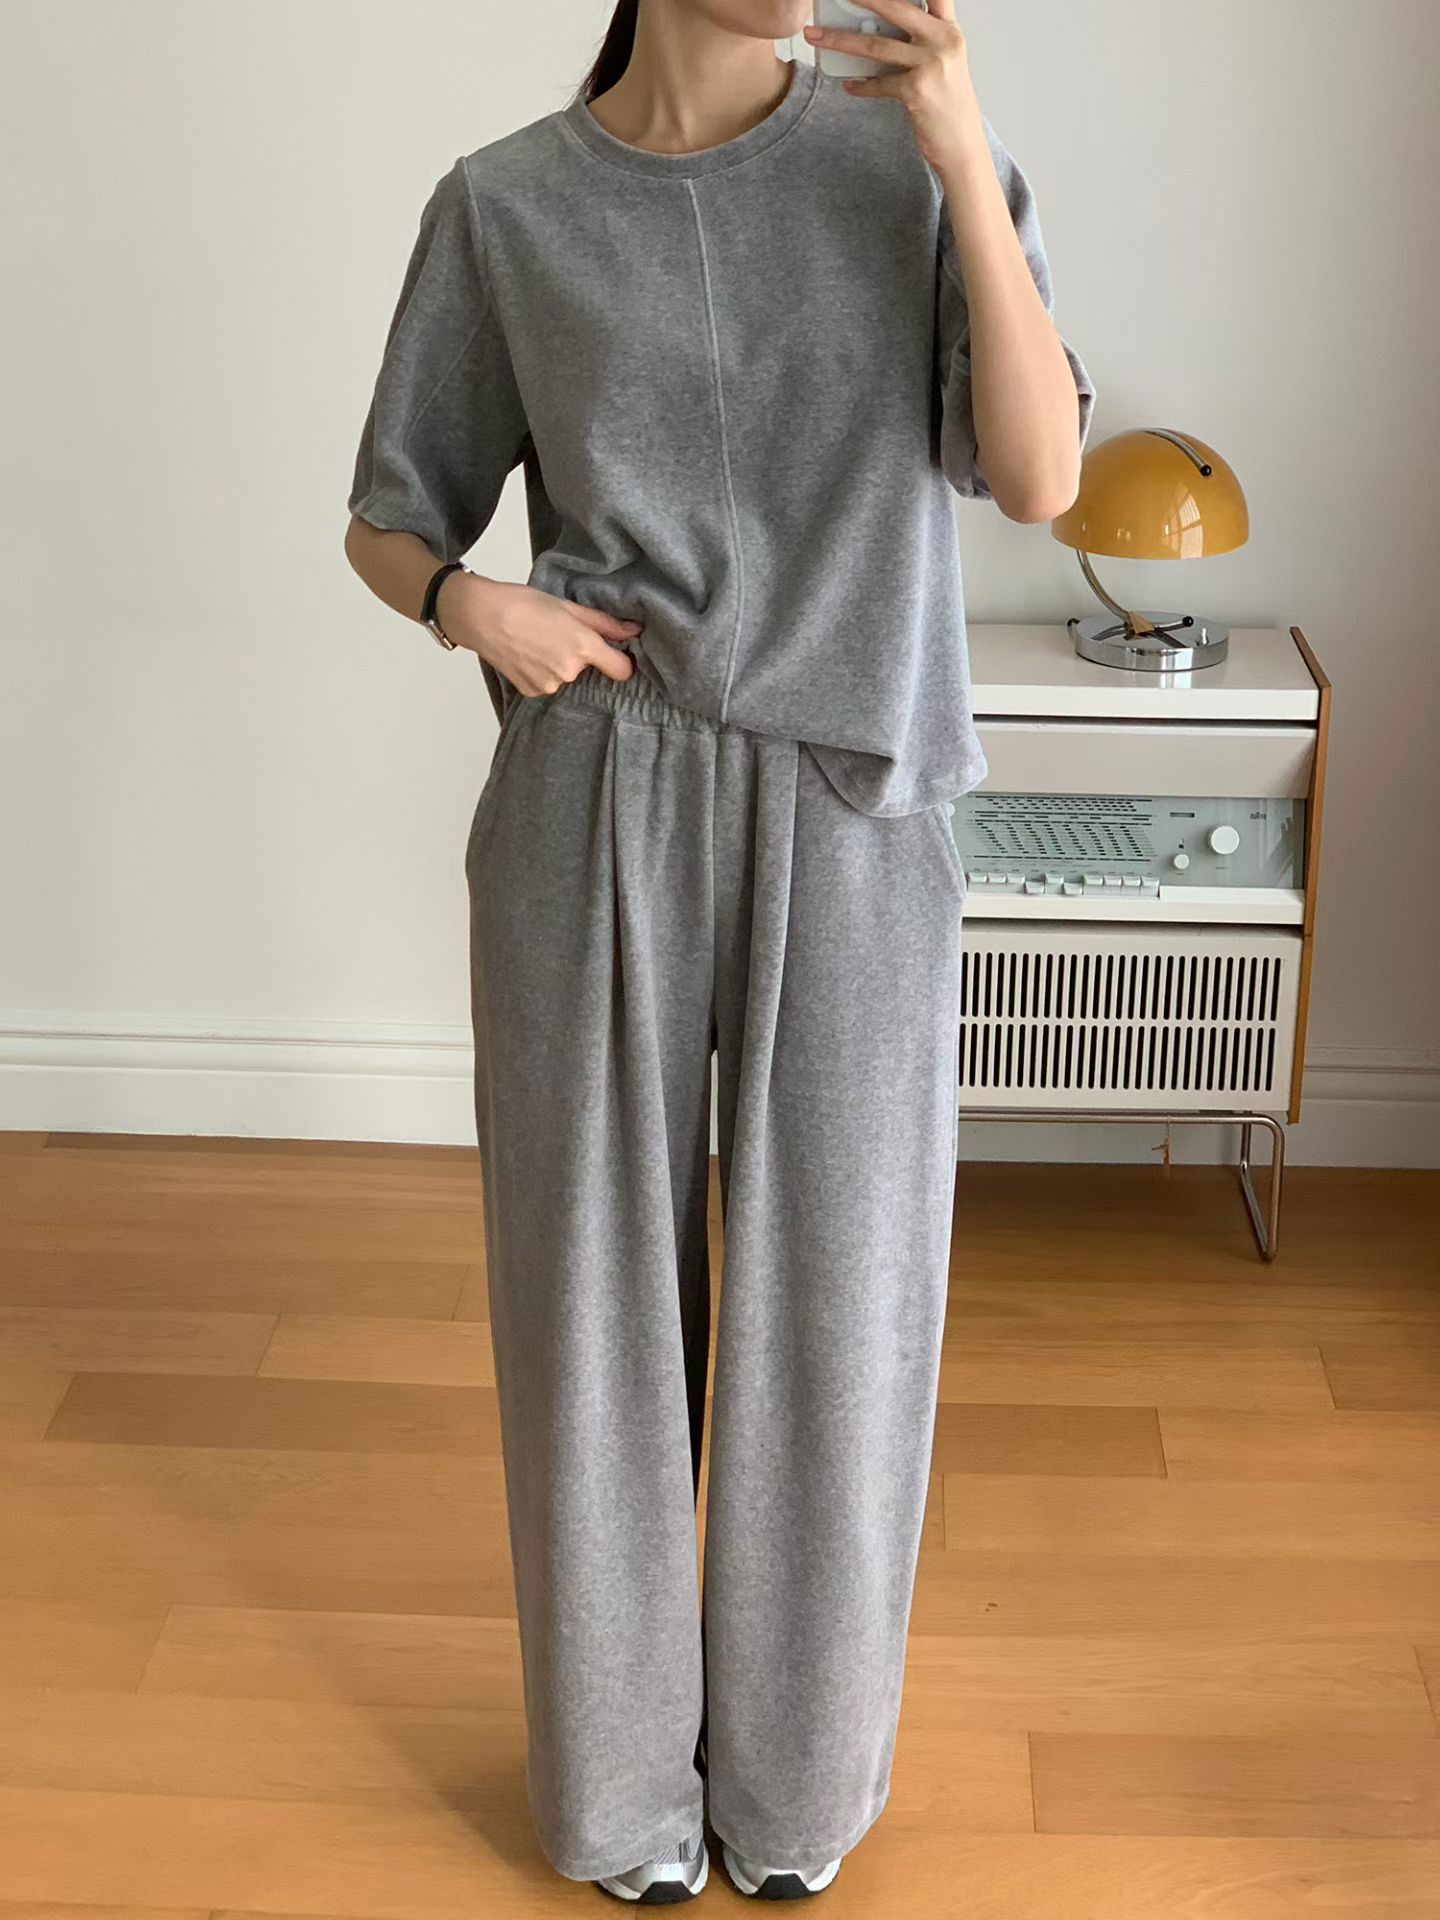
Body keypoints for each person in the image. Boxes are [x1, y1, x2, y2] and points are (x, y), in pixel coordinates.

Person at [343, 0, 1095, 1902]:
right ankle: (617, 1804)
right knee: (590, 1310)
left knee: (843, 1309)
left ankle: (794, 1794)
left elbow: (1039, 477)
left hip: (854, 805)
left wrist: (962, 151)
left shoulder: (915, 165)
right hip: (594, 791)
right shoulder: (508, 204)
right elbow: (389, 514)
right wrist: (470, 607)